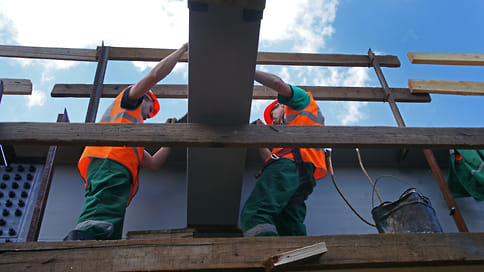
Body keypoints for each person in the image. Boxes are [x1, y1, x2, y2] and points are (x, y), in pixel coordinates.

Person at [64, 43, 188, 240]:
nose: (148, 116)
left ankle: (97, 245)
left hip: (114, 168)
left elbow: (154, 164)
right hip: (109, 163)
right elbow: (154, 75)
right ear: (145, 98)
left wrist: (170, 138)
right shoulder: (129, 101)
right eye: (150, 110)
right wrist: (182, 51)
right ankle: (81, 244)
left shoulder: (133, 137)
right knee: (100, 217)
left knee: (108, 221)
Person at [240, 70, 327, 237]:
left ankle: (266, 250)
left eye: (273, 114)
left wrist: (246, 69)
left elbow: (277, 83)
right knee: (288, 223)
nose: (272, 121)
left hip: (290, 168)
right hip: (303, 174)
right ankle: (298, 257)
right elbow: (274, 160)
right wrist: (260, 143)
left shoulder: (301, 99)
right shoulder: (293, 134)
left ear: (282, 105)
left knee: (255, 213)